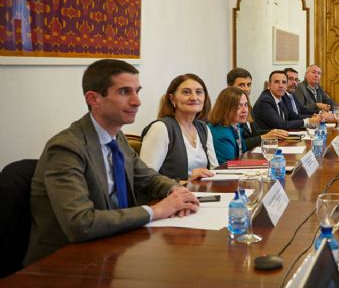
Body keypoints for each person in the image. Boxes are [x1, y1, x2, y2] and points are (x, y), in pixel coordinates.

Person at [25, 59, 200, 266]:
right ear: (94, 99)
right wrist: (157, 210)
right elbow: (81, 223)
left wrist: (176, 192)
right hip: (65, 264)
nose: (137, 101)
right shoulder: (66, 148)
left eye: (137, 91)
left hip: (115, 250)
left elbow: (148, 178)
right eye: (125, 92)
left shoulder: (117, 138)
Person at [140, 74, 218, 180]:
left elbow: (214, 169)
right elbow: (145, 179)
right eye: (186, 92)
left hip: (203, 193)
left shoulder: (203, 128)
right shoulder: (161, 128)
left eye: (199, 92)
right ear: (172, 99)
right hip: (171, 194)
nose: (194, 97)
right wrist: (187, 181)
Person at [226, 68, 287, 149]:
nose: (246, 89)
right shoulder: (227, 110)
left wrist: (273, 132)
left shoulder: (247, 105)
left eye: (249, 84)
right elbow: (239, 144)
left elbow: (254, 133)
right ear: (229, 86)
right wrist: (265, 137)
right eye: (241, 85)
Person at [253, 70, 321, 131]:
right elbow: (281, 125)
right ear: (269, 85)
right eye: (277, 82)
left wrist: (316, 116)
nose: (281, 85)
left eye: (284, 82)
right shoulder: (265, 101)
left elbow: (294, 117)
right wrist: (308, 122)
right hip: (266, 142)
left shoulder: (282, 97)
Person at [208, 87, 249, 164]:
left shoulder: (235, 125)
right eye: (238, 106)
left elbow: (243, 155)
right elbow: (228, 166)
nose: (245, 110)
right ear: (225, 108)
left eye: (246, 104)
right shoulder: (221, 133)